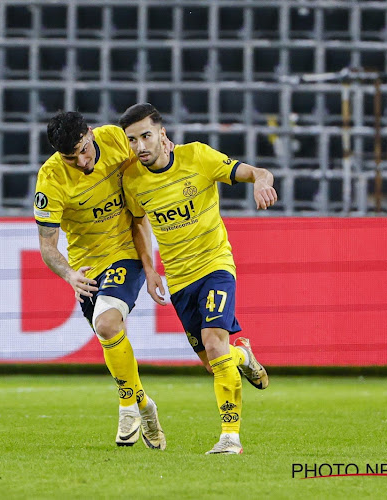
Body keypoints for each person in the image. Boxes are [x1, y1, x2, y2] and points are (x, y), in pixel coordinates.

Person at [118, 103, 273, 455]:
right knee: (214, 361)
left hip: (215, 266)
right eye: (132, 140)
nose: (140, 146)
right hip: (179, 281)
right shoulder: (132, 180)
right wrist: (150, 267)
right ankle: (243, 357)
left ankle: (230, 438)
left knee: (215, 344)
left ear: (162, 134)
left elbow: (256, 172)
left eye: (145, 136)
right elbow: (138, 222)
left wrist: (262, 181)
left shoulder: (198, 157)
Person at [35, 111, 166, 450]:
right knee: (109, 335)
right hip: (87, 269)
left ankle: (126, 407)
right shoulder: (50, 178)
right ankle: (144, 407)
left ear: (91, 133)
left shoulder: (116, 139)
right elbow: (47, 246)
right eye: (70, 156)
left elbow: (156, 156)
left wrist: (150, 268)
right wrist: (68, 274)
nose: (81, 161)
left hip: (126, 250)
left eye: (83, 149)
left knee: (107, 324)